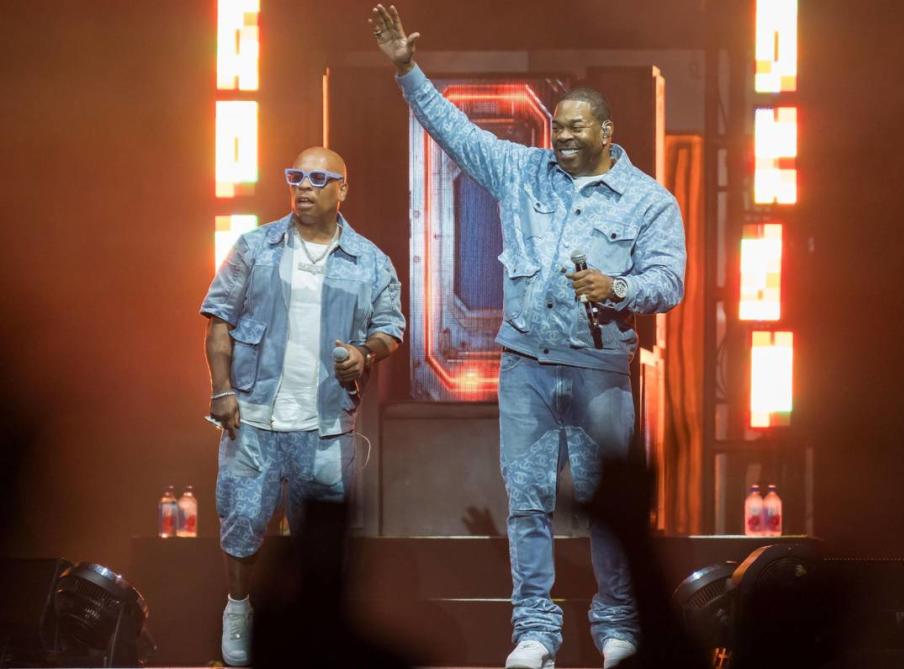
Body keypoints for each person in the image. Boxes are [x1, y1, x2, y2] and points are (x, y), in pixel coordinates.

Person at [369, 5, 686, 668]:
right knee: (528, 499)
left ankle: (617, 626)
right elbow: (452, 131)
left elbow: (670, 281)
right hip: (526, 367)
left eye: (576, 127)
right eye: (558, 127)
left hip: (599, 369)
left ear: (605, 129)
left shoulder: (649, 200)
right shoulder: (522, 172)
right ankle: (535, 630)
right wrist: (406, 69)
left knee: (608, 508)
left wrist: (618, 288)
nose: (563, 137)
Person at [199, 146, 405, 666]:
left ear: (343, 188)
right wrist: (222, 390)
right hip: (254, 415)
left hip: (326, 423)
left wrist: (365, 353)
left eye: (318, 179)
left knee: (323, 539)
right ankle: (240, 608)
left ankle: (319, 623)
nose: (304, 188)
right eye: (296, 177)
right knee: (242, 523)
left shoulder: (370, 260)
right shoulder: (255, 248)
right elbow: (219, 318)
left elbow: (391, 330)